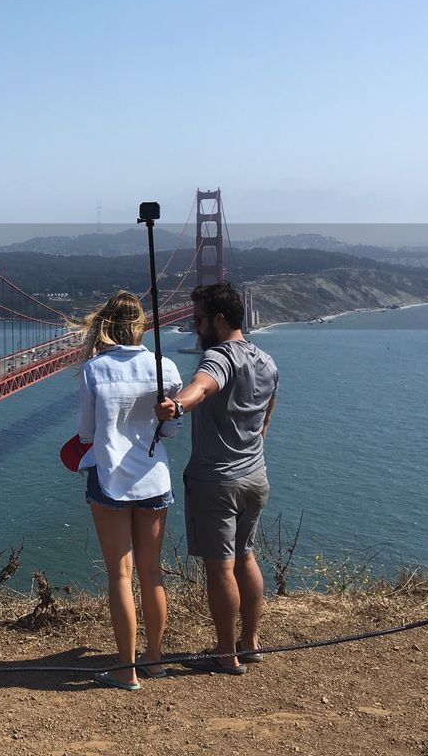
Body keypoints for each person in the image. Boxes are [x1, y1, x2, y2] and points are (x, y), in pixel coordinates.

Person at [157, 282, 278, 675]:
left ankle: (226, 653)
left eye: (198, 319)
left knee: (221, 567)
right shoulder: (266, 360)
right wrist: (254, 438)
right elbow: (267, 411)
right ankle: (251, 643)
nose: (194, 326)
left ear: (219, 319)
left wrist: (176, 406)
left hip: (217, 481)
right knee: (246, 557)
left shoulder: (218, 357)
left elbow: (202, 387)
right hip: (255, 476)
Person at [76, 290, 183, 690]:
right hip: (155, 479)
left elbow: (86, 433)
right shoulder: (165, 367)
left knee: (121, 576)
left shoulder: (94, 370)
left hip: (109, 482)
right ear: (140, 325)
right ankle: (154, 660)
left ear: (105, 324)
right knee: (152, 574)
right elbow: (172, 427)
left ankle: (127, 669)